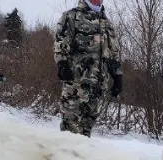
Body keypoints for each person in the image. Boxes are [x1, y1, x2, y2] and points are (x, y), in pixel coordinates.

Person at [53, 0, 124, 137]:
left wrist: (117, 76)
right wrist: (62, 64)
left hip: (96, 90)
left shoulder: (107, 24)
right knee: (70, 133)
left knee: (85, 136)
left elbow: (113, 53)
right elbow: (61, 41)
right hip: (75, 87)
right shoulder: (72, 16)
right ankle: (65, 158)